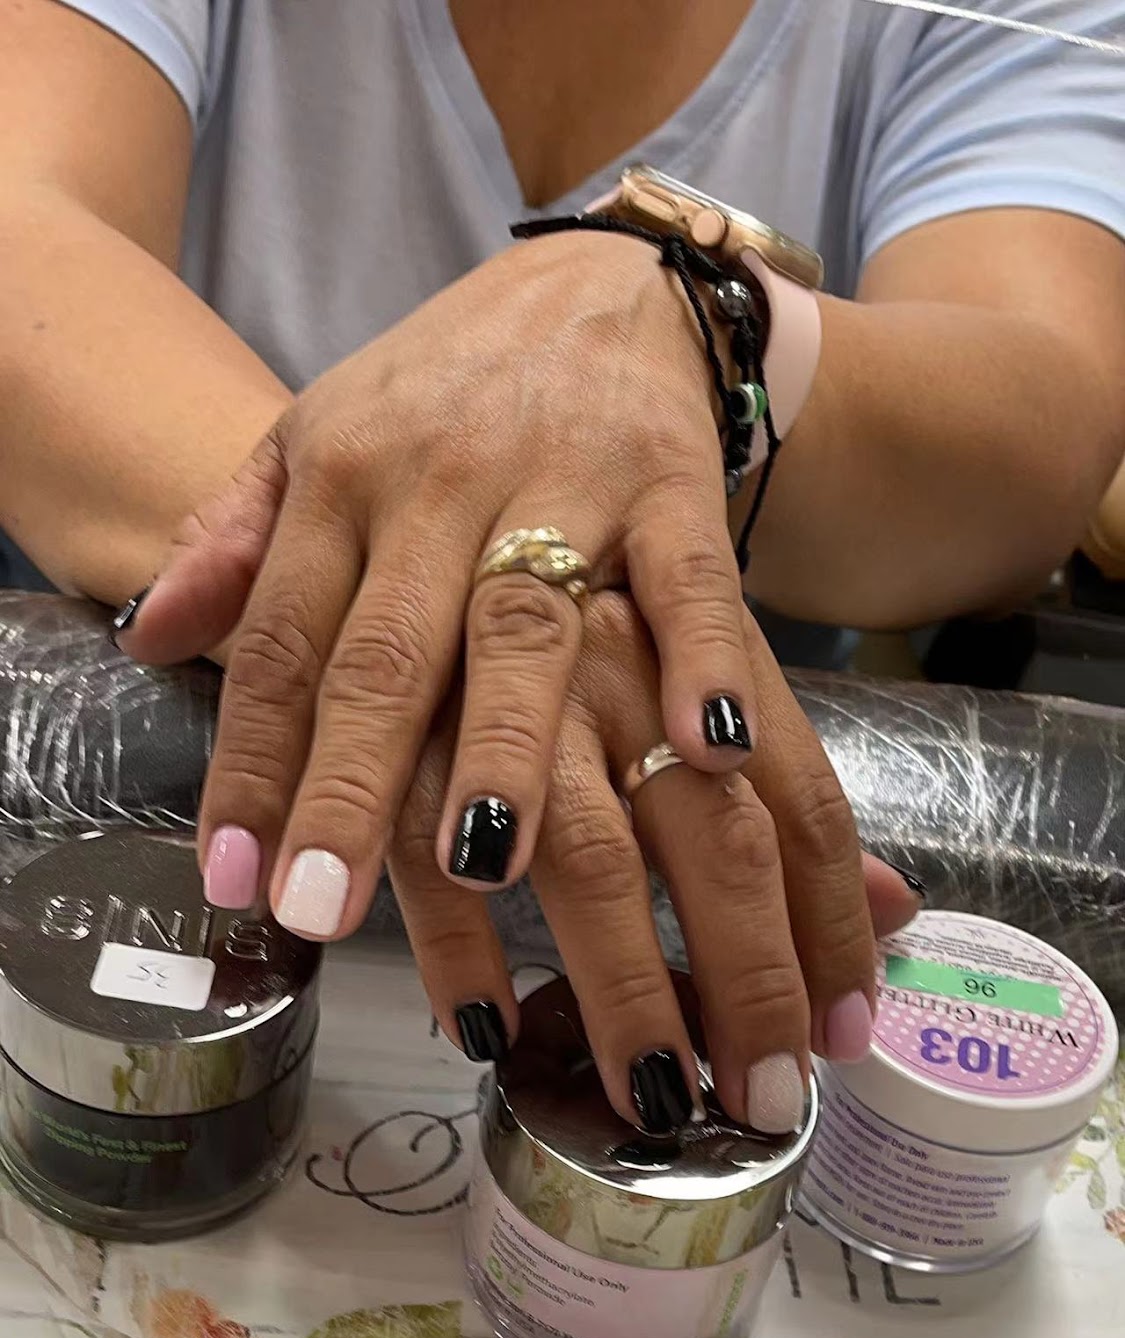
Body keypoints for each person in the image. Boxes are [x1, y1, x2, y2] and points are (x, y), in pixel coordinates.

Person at [1, 0, 1123, 1138]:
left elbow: (1036, 448)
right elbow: (20, 238)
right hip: (147, 833)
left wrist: (700, 330)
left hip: (678, 859)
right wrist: (476, 627)